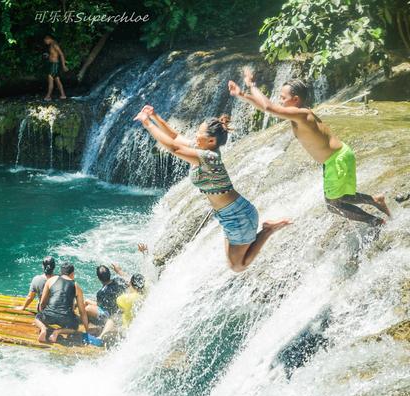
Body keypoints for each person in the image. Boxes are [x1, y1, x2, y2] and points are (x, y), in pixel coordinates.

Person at [134, 105, 292, 272]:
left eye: (199, 133)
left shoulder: (209, 157)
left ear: (211, 141)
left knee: (237, 266)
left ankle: (267, 230)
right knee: (232, 261)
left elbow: (174, 148)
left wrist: (148, 124)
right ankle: (262, 231)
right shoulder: (201, 148)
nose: (196, 135)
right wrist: (155, 116)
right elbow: (175, 137)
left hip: (237, 216)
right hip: (229, 215)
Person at [229, 68, 390, 226]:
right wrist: (242, 95)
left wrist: (251, 85)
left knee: (333, 204)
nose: (279, 100)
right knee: (339, 198)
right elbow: (267, 107)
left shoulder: (302, 114)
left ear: (296, 99)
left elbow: (268, 107)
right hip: (334, 160)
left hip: (337, 160)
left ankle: (376, 222)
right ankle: (375, 200)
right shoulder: (297, 112)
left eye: (282, 97)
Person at [35, 262, 90, 344]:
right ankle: (57, 332)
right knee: (75, 327)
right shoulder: (76, 286)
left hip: (49, 314)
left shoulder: (51, 280)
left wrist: (43, 316)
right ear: (72, 274)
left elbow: (42, 303)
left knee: (37, 318)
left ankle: (43, 329)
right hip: (65, 318)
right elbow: (82, 312)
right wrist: (87, 330)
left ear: (61, 272)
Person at [43, 35, 69, 101]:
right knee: (57, 80)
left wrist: (64, 66)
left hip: (54, 65)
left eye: (45, 41)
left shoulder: (54, 44)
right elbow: (54, 54)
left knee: (50, 78)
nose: (45, 42)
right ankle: (63, 95)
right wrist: (48, 56)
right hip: (53, 64)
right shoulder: (52, 44)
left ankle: (48, 96)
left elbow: (61, 54)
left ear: (48, 39)